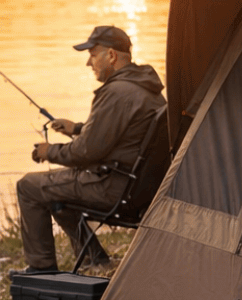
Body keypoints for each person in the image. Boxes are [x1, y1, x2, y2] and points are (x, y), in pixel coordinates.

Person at [15, 26, 165, 274]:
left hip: (112, 186)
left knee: (29, 186)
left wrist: (48, 151)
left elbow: (85, 153)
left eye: (93, 55)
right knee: (54, 190)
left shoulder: (116, 92)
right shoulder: (145, 88)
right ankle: (96, 261)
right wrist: (77, 129)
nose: (89, 62)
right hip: (135, 187)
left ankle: (40, 269)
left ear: (112, 55)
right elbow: (123, 135)